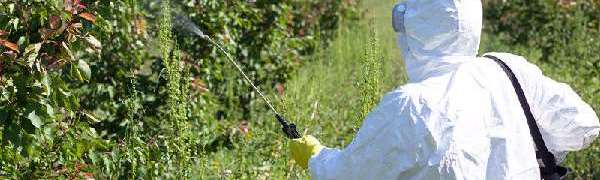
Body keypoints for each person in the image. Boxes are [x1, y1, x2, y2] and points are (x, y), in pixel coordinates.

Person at [288, 0, 600, 179]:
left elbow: (349, 176)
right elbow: (584, 125)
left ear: (417, 29)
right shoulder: (507, 69)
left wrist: (316, 157)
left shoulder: (410, 106)